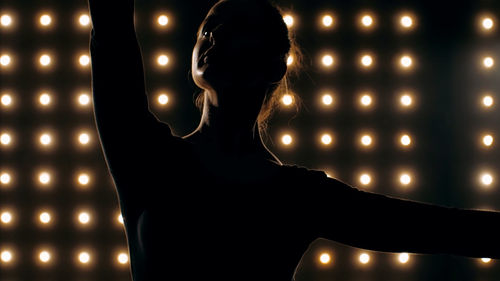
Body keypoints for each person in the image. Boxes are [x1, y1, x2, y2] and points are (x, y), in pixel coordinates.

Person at [87, 0, 500, 280]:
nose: (213, 35)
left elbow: (443, 230)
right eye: (207, 29)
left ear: (276, 63)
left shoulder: (298, 195)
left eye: (237, 26)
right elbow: (111, 33)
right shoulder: (148, 157)